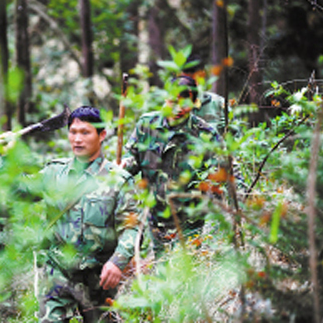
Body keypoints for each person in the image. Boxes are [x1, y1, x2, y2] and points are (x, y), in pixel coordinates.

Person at [37, 106, 142, 323]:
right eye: (73, 132)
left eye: (85, 132)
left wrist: (117, 261)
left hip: (99, 276)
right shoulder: (53, 174)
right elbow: (16, 190)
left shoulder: (117, 180)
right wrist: (1, 156)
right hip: (59, 271)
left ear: (102, 135)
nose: (77, 139)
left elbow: (132, 227)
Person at [121, 76, 221, 258]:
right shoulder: (146, 125)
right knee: (162, 268)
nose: (177, 109)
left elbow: (222, 175)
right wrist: (121, 169)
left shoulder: (205, 134)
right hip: (156, 219)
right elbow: (131, 160)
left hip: (191, 221)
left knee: (187, 270)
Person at [182, 53, 227, 133]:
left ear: (202, 75)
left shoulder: (218, 104)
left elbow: (235, 136)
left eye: (192, 77)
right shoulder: (170, 106)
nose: (189, 83)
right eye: (184, 78)